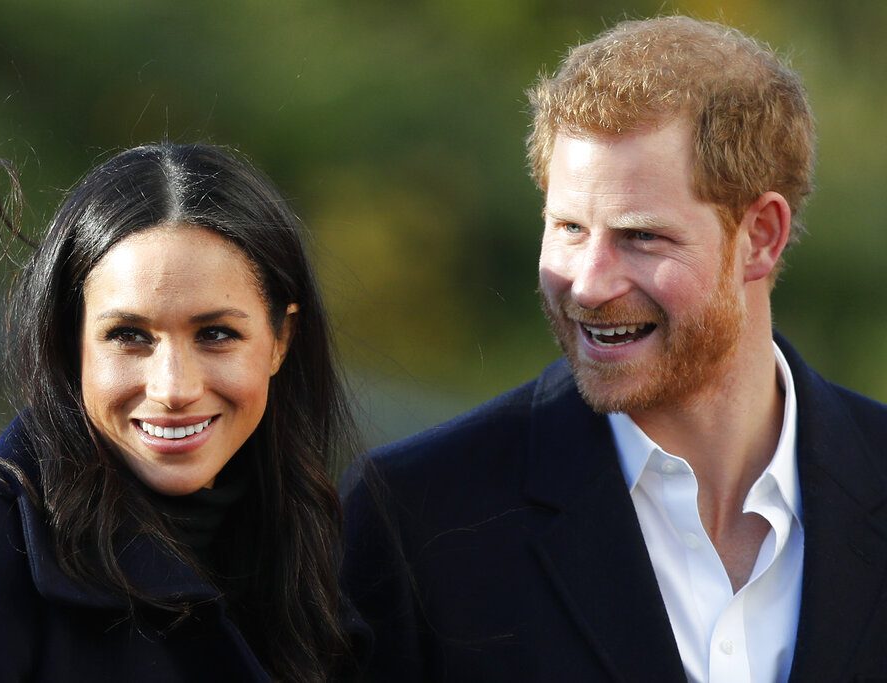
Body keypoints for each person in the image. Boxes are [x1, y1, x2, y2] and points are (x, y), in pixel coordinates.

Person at [342, 15, 887, 683]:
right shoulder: (415, 519)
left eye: (640, 236)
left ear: (762, 237)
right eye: (569, 227)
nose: (590, 284)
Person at [0, 143, 366, 681]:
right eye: (128, 336)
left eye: (217, 334)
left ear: (279, 340)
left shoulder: (327, 574)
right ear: (69, 341)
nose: (174, 387)